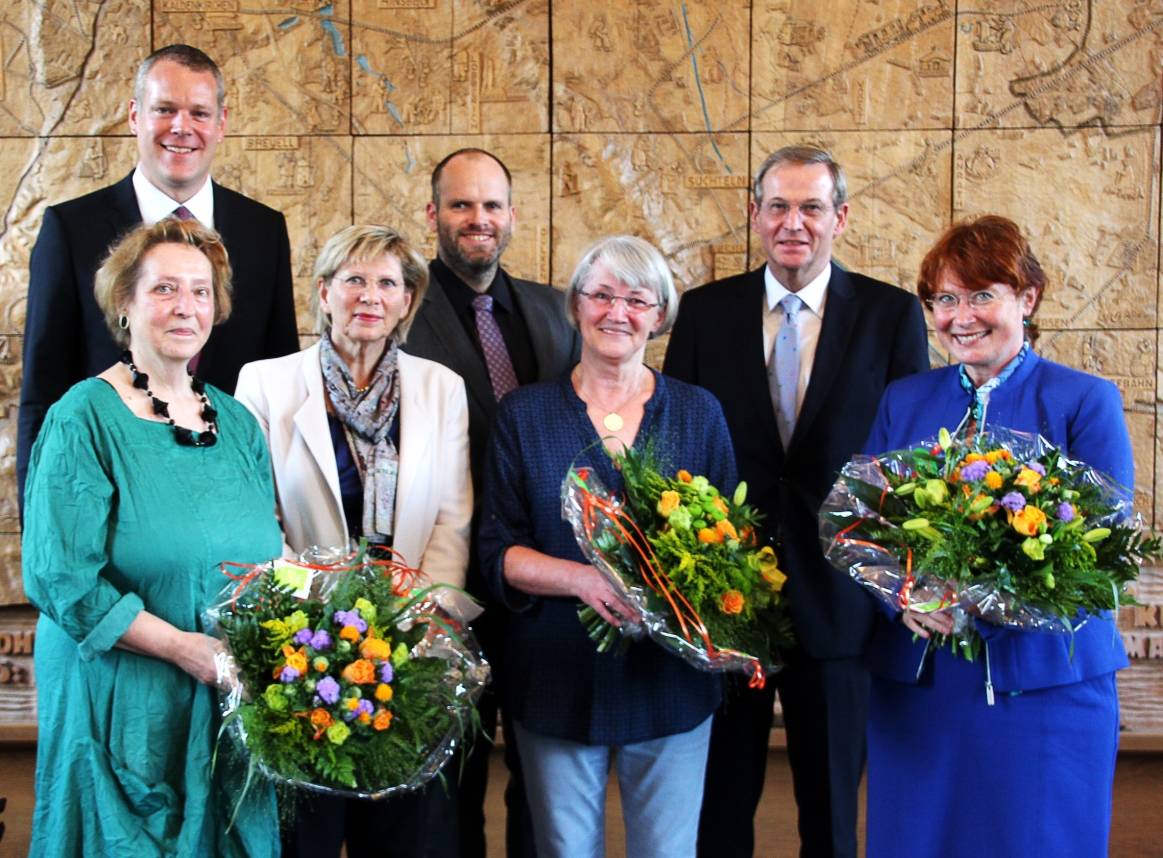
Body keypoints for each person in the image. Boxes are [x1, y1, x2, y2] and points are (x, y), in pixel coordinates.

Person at [663, 145, 930, 857]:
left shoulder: (890, 315)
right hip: (726, 606)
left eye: (811, 207)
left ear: (839, 218)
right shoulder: (703, 313)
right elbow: (674, 455)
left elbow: (909, 471)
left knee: (833, 820)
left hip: (840, 607)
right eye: (777, 206)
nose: (793, 223)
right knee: (718, 816)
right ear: (754, 215)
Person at [861, 215, 1130, 858]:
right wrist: (903, 593)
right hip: (923, 691)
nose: (962, 316)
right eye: (945, 299)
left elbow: (1105, 547)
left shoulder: (1085, 401)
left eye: (983, 294)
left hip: (1046, 689)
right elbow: (862, 525)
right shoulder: (904, 399)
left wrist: (984, 598)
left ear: (1027, 299)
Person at [21, 218, 281, 857]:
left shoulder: (239, 422)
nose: (185, 307)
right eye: (164, 289)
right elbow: (61, 577)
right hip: (121, 702)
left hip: (223, 697)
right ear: (125, 303)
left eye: (199, 291)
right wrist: (185, 649)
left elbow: (266, 550)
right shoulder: (82, 416)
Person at [479, 235, 733, 858]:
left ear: (660, 315)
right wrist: (585, 580)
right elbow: (496, 549)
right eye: (601, 295)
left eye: (637, 299)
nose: (617, 312)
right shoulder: (524, 414)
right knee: (565, 850)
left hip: (671, 677)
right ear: (575, 306)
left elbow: (733, 545)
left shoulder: (699, 414)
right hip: (556, 676)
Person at [234, 224, 476, 857]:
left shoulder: (441, 387)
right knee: (306, 831)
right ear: (324, 292)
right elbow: (258, 519)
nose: (370, 295)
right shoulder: (264, 383)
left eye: (388, 283)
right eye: (354, 280)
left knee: (405, 828)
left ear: (407, 302)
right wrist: (327, 614)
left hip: (413, 640)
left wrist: (408, 615)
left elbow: (453, 517)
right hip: (302, 642)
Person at [18, 43, 299, 508]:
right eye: (164, 109)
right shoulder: (70, 229)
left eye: (199, 113)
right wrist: (42, 529)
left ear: (222, 123)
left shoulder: (264, 230)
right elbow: (42, 394)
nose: (181, 127)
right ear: (134, 116)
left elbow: (279, 379)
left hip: (230, 504)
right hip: (108, 502)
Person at [402, 147, 579, 858]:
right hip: (448, 580)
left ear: (510, 216)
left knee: (541, 781)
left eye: (491, 205)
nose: (478, 220)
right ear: (433, 216)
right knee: (449, 779)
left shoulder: (552, 309)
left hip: (540, 579)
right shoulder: (402, 307)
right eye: (461, 205)